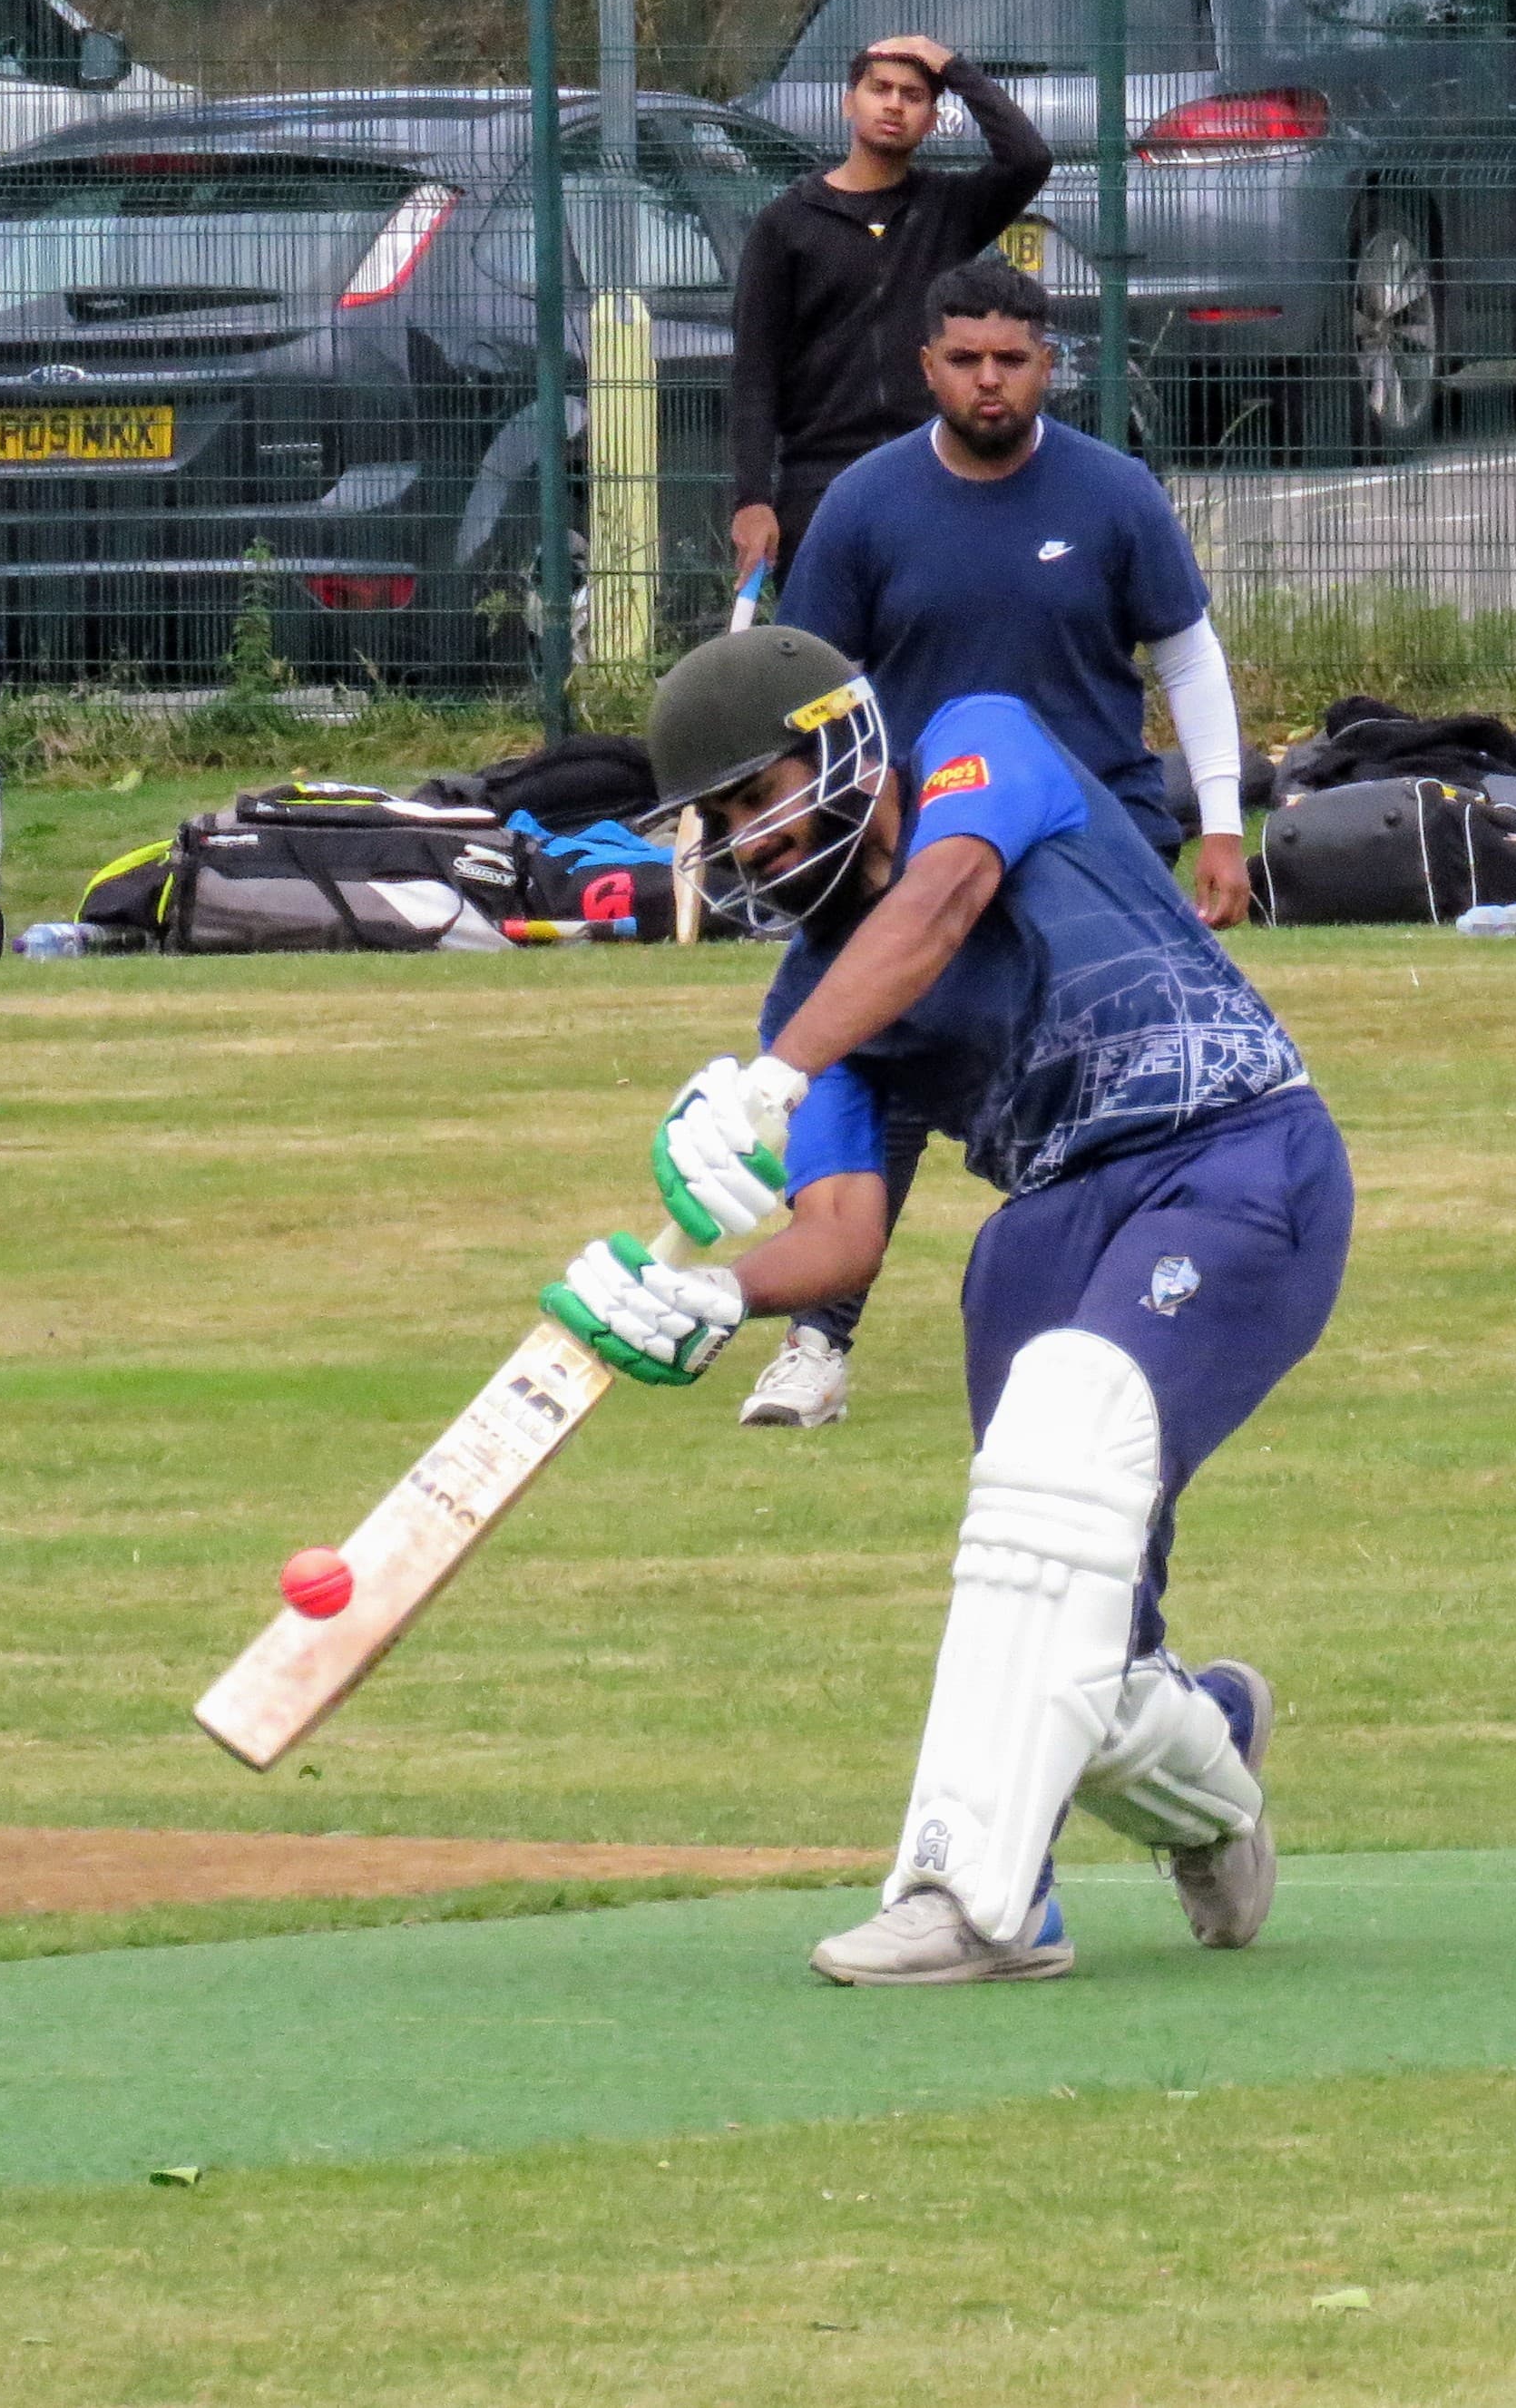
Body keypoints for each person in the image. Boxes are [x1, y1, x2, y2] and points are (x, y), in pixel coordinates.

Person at [541, 623, 1350, 1985]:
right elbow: (842, 1234)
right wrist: (700, 1291)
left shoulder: (982, 738)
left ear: (841, 740)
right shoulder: (814, 992)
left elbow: (941, 906)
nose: (745, 844)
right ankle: (1213, 1755)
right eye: (720, 824)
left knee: (1060, 1444)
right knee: (1078, 1625)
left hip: (1232, 1146)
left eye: (757, 797)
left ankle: (976, 1895)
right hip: (1047, 1222)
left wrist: (770, 1076)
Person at [729, 258, 1254, 1432]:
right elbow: (810, 694)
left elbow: (1188, 655)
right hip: (920, 858)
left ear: (1046, 365)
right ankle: (817, 1342)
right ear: (927, 366)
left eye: (1010, 359)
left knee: (1127, 1081)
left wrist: (1220, 822)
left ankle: (1145, 1316)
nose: (987, 381)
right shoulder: (865, 505)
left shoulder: (1112, 493)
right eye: (963, 359)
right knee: (882, 1064)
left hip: (1090, 850)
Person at [728, 36, 1051, 593]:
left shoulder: (949, 209)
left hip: (935, 470)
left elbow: (1028, 159)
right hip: (821, 484)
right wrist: (753, 499)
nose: (895, 104)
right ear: (848, 102)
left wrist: (952, 67)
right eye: (880, 89)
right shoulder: (785, 224)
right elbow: (755, 371)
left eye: (915, 95)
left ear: (932, 119)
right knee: (834, 673)